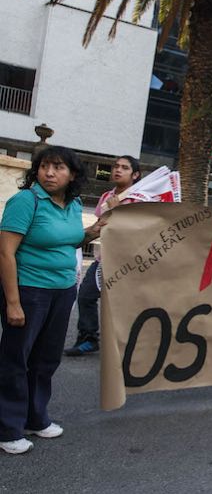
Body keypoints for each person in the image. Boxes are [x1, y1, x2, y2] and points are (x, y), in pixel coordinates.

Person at [0, 147, 104, 455]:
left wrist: (93, 231)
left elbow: (69, 239)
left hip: (62, 290)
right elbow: (5, 253)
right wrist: (13, 302)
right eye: (44, 166)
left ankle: (35, 417)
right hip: (29, 291)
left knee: (46, 359)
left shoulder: (71, 204)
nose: (49, 173)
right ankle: (8, 427)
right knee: (16, 360)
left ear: (72, 174)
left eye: (58, 167)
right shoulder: (26, 201)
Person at [65, 155, 144, 356]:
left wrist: (120, 211)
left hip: (129, 262)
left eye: (124, 168)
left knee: (122, 306)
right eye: (116, 166)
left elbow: (141, 230)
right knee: (85, 296)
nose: (117, 170)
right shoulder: (106, 196)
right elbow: (101, 227)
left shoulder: (141, 198)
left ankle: (127, 347)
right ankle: (89, 338)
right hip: (104, 260)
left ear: (135, 175)